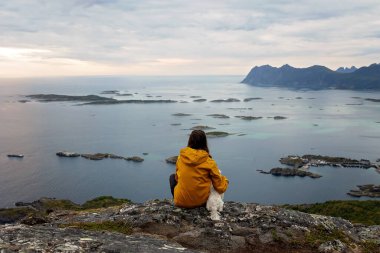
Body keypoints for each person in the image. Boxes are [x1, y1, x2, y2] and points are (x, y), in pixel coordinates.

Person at [169, 130, 229, 208]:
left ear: (190, 141)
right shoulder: (209, 162)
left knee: (172, 177)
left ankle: (179, 200)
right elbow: (220, 188)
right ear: (204, 143)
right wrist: (225, 180)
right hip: (201, 203)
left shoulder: (181, 158)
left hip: (180, 202)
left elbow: (177, 178)